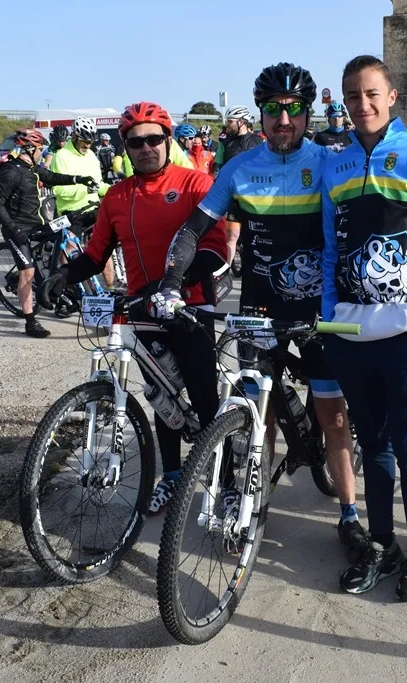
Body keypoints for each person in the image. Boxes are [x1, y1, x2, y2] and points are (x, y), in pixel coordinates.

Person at [152, 62, 368, 563]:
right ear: (261, 114)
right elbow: (192, 231)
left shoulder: (331, 162)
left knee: (333, 417)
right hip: (259, 307)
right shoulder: (240, 168)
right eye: (273, 109)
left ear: (309, 114)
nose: (283, 119)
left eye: (294, 109)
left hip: (319, 311)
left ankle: (350, 514)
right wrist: (170, 284)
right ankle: (251, 503)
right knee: (257, 417)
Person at [317, 55, 407, 603]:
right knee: (372, 444)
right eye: (353, 96)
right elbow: (330, 252)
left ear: (392, 96)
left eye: (372, 93)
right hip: (351, 334)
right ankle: (382, 545)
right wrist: (329, 322)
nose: (362, 104)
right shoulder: (335, 166)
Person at [42, 102, 229, 514]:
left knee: (204, 398)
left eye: (153, 139)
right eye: (135, 142)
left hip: (191, 307)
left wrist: (174, 284)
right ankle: (172, 477)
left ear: (167, 140)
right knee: (162, 399)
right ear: (124, 147)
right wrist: (62, 277)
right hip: (142, 310)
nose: (145, 148)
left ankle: (227, 481)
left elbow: (216, 249)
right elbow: (95, 255)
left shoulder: (195, 183)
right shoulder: (117, 196)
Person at [0, 128, 97, 338]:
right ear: (29, 149)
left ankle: (55, 285)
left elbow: (52, 176)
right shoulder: (10, 171)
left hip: (37, 223)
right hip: (16, 228)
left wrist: (79, 179)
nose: (42, 152)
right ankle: (30, 321)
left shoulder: (32, 168)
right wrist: (13, 229)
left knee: (64, 232)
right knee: (27, 271)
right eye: (40, 149)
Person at [49, 117, 111, 297]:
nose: (87, 146)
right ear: (75, 136)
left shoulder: (91, 155)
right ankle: (66, 287)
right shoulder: (61, 156)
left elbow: (99, 184)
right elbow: (58, 190)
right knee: (70, 250)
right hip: (71, 211)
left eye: (90, 142)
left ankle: (110, 289)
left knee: (105, 249)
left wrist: (113, 190)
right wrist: (85, 189)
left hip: (92, 208)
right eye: (84, 141)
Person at [211, 104, 264, 266]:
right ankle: (226, 269)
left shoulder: (259, 142)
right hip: (233, 198)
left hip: (256, 198)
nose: (227, 125)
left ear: (241, 122)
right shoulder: (224, 143)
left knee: (257, 237)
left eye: (230, 121)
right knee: (231, 236)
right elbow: (217, 167)